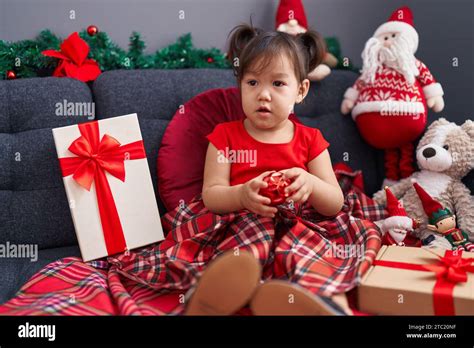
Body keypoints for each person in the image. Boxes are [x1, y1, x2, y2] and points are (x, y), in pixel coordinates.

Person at [187, 23, 345, 315]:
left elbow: (335, 203)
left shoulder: (311, 140)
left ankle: (316, 299)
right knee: (240, 256)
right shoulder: (225, 136)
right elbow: (211, 195)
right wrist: (242, 195)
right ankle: (216, 297)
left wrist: (310, 184)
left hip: (298, 225)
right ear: (240, 86)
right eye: (252, 83)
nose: (263, 95)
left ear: (300, 90)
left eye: (277, 84)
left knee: (309, 253)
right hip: (241, 222)